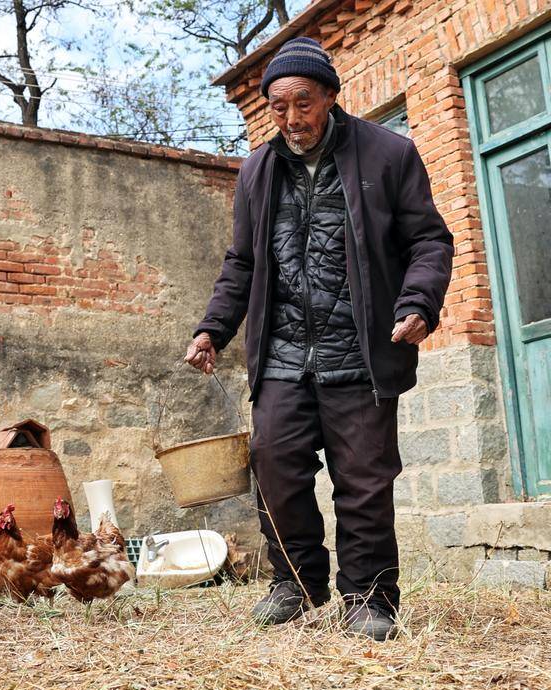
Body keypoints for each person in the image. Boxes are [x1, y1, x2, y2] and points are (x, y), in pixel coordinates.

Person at [185, 37, 454, 641]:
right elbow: (243, 262)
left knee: (363, 478)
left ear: (330, 96)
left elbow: (429, 242)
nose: (291, 120)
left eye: (302, 104)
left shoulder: (389, 154)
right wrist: (213, 328)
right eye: (277, 108)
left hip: (359, 350)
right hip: (281, 353)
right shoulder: (257, 170)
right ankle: (295, 584)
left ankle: (370, 598)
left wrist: (419, 303)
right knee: (275, 463)